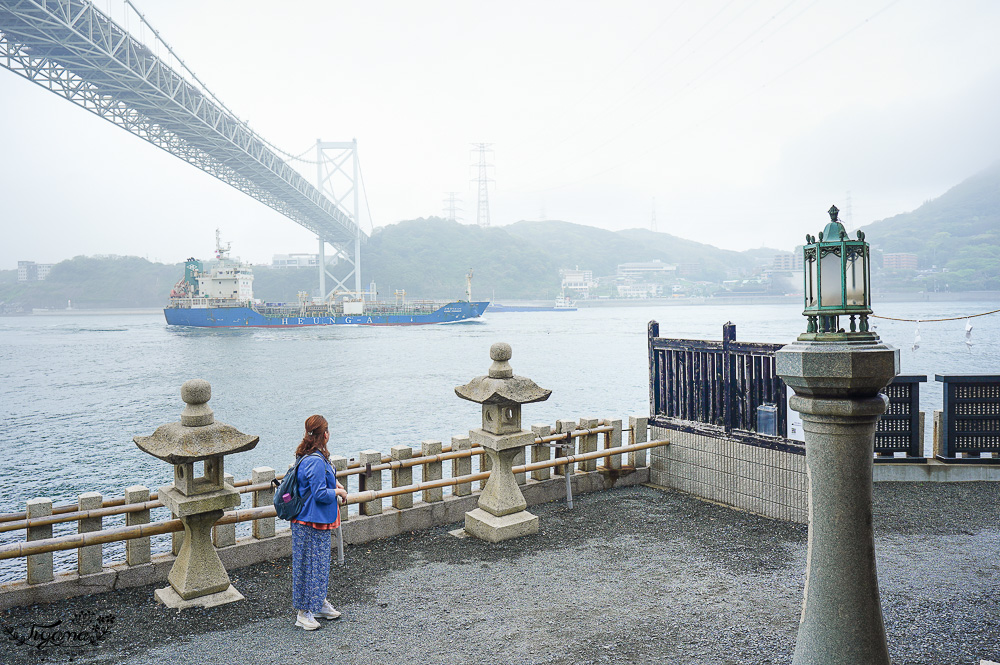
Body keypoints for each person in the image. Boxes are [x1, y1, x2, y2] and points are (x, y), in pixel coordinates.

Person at [290, 414, 348, 630]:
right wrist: (338, 492)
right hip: (308, 522)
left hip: (314, 520)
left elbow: (323, 481)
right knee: (308, 566)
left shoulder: (315, 456)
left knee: (319, 565)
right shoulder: (314, 460)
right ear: (325, 434)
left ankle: (318, 604)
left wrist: (336, 484)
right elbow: (320, 494)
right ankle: (303, 613)